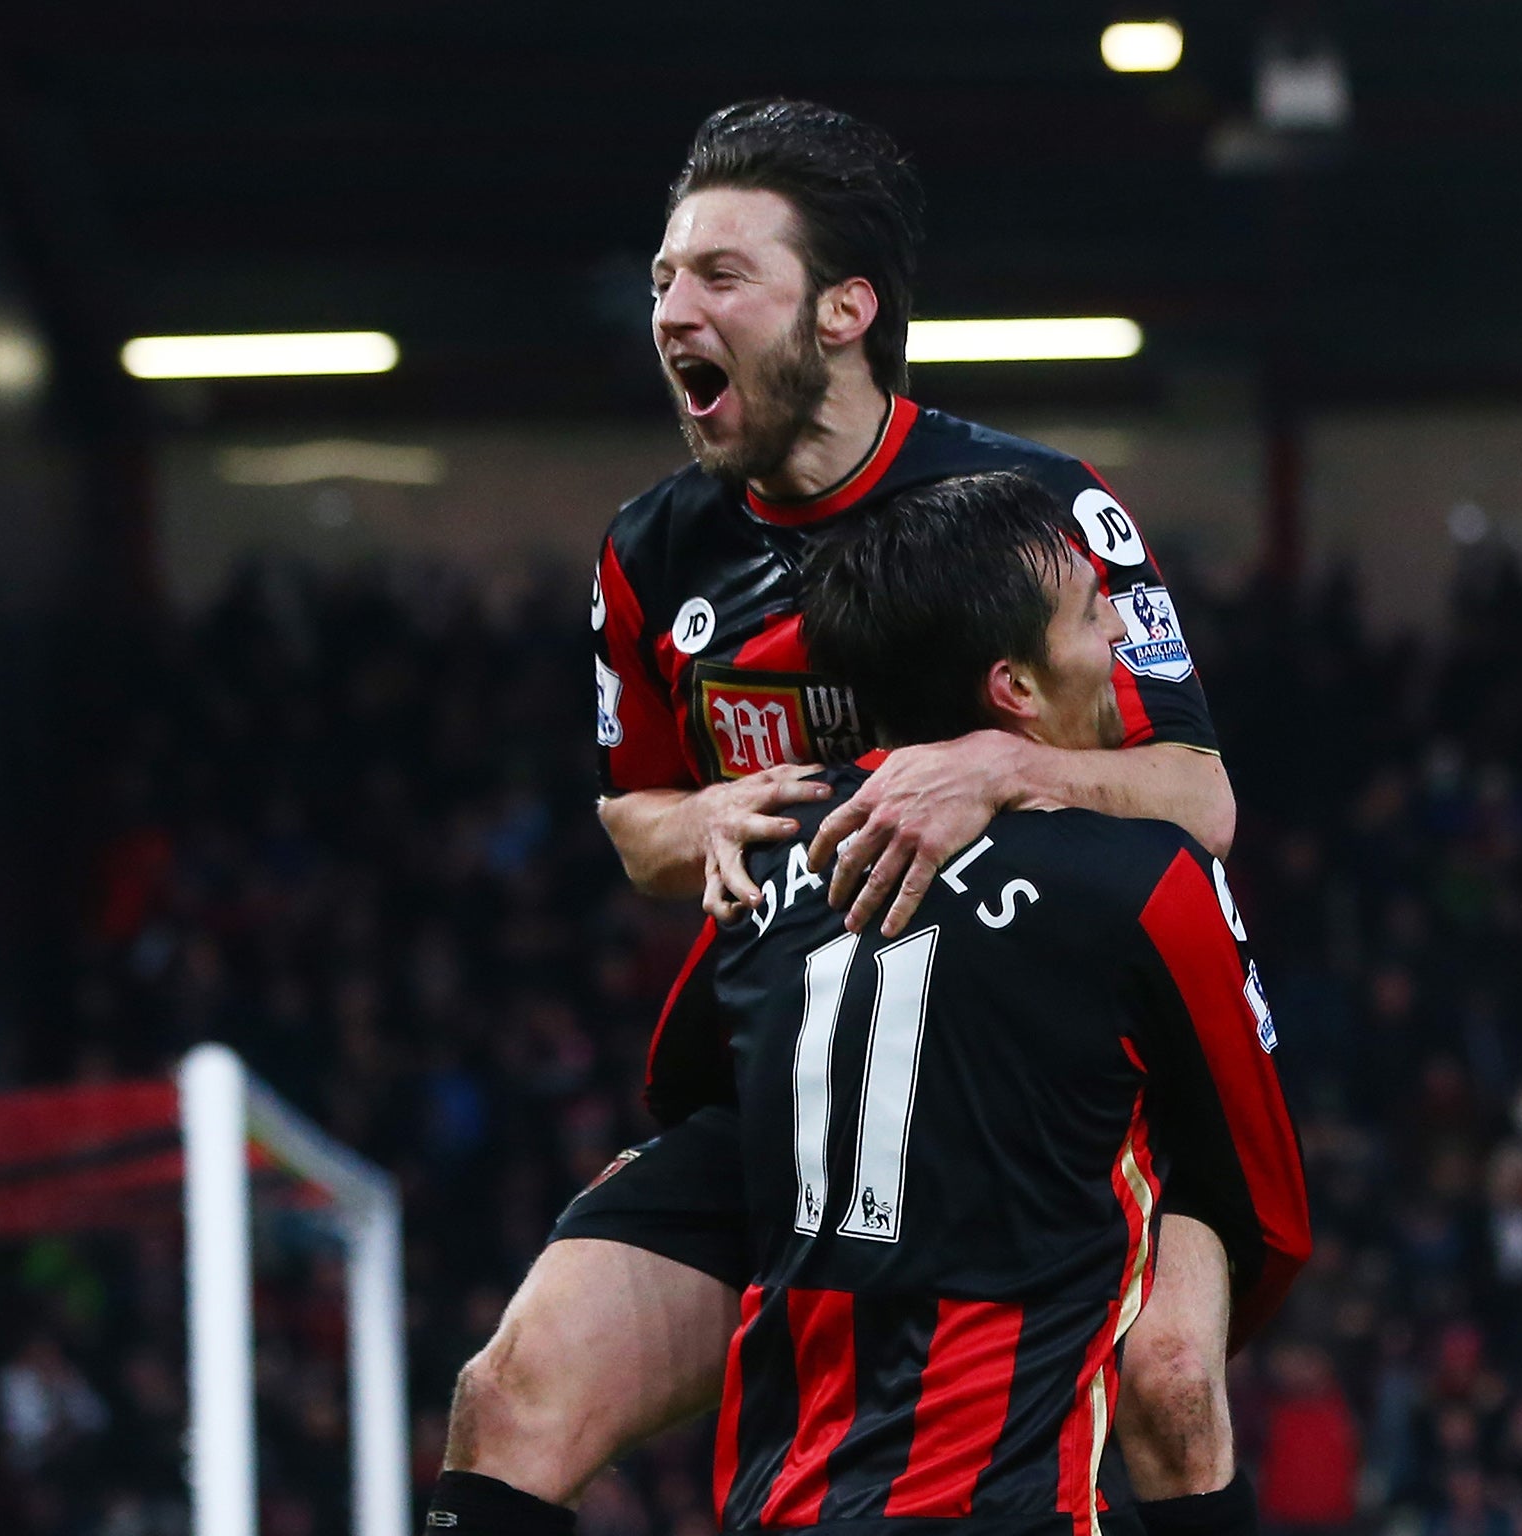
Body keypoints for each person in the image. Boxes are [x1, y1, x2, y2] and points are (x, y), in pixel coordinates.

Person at [427, 101, 1239, 1536]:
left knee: (1173, 1383)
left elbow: (1200, 796)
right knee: (510, 1394)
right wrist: (704, 820)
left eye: (723, 276)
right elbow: (636, 826)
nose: (675, 309)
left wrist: (1006, 767)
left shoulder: (1038, 508)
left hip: (1055, 1085)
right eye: (666, 279)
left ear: (846, 311)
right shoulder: (651, 551)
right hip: (804, 1079)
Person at [693, 472, 1311, 1534]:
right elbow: (1262, 1206)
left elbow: (692, 1104)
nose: (1119, 625)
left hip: (773, 1503)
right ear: (1014, 690)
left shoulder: (759, 872)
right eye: (1088, 611)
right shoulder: (1143, 880)